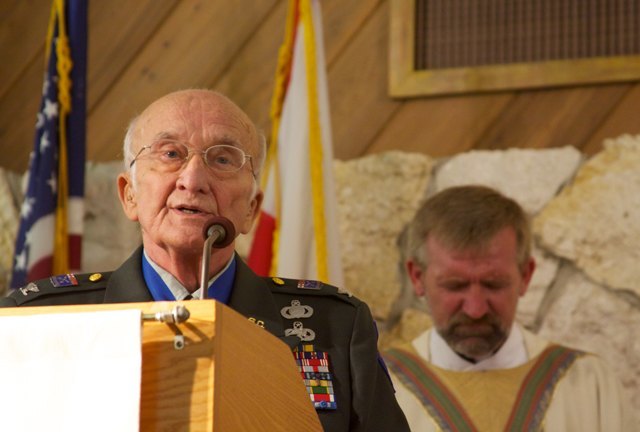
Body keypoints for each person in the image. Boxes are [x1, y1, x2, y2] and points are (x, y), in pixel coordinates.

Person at [1, 89, 409, 432]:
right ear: (129, 195)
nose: (192, 178)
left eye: (223, 158)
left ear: (251, 208)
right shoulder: (38, 322)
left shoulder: (336, 326)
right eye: (170, 153)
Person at [384, 185, 634, 431]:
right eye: (455, 285)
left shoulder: (590, 386)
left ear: (525, 275)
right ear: (417, 277)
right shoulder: (379, 391)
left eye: (494, 284)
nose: (475, 310)